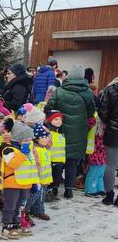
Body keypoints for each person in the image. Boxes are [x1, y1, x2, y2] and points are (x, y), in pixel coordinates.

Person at [45, 65, 95, 199]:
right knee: (72, 162)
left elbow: (49, 108)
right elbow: (91, 113)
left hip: (60, 131)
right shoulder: (88, 93)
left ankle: (54, 188)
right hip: (79, 132)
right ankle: (69, 190)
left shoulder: (59, 91)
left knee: (57, 161)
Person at [0, 120, 37, 239]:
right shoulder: (8, 149)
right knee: (10, 206)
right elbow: (13, 163)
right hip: (13, 183)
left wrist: (35, 181)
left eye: (30, 140)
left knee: (20, 206)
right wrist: (23, 153)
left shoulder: (27, 150)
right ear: (17, 139)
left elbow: (32, 165)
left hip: (25, 183)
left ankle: (17, 224)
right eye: (26, 140)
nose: (29, 142)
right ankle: (7, 226)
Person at [24, 124, 52, 222]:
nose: (46, 139)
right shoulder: (36, 150)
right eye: (43, 137)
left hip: (44, 179)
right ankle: (25, 211)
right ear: (36, 139)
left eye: (46, 137)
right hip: (37, 179)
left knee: (41, 197)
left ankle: (39, 211)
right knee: (33, 196)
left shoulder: (45, 150)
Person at [99, 76, 118, 206]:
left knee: (110, 165)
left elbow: (103, 111)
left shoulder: (110, 89)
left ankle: (109, 195)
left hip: (113, 130)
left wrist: (107, 122)